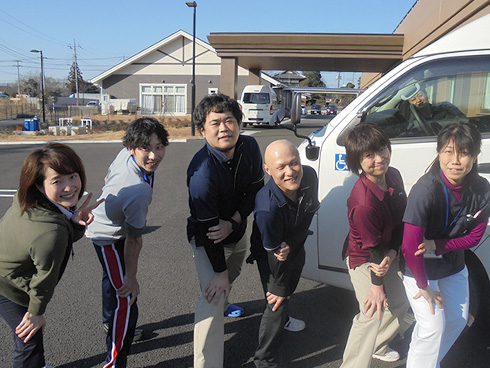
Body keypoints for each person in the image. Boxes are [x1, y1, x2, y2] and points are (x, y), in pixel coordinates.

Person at [0, 142, 102, 368]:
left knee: (28, 335)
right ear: (39, 184)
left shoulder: (26, 198)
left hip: (10, 271)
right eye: (57, 181)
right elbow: (46, 278)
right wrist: (36, 312)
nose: (69, 187)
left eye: (73, 177)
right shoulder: (50, 232)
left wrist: (72, 219)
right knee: (29, 337)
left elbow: (55, 231)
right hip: (7, 284)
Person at [401, 121, 490, 368]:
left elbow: (473, 238)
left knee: (457, 321)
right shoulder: (425, 190)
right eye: (448, 151)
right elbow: (410, 247)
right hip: (419, 270)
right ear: (439, 153)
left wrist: (437, 246)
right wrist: (423, 286)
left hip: (453, 265)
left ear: (474, 157)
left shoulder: (482, 189)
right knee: (431, 326)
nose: (455, 160)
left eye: (463, 153)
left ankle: (429, 363)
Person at [187, 93, 264, 368]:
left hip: (236, 229)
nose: (224, 128)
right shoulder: (201, 175)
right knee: (213, 296)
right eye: (215, 122)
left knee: (234, 274)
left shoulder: (250, 147)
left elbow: (255, 188)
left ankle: (225, 291)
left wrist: (233, 221)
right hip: (207, 239)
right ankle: (206, 364)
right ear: (202, 130)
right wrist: (219, 273)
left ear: (239, 124)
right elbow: (209, 231)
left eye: (229, 120)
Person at [86, 117, 169, 368]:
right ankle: (113, 362)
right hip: (107, 236)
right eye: (146, 148)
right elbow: (134, 240)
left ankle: (108, 321)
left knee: (112, 281)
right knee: (126, 297)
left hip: (109, 224)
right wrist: (131, 278)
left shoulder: (125, 154)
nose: (153, 155)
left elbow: (106, 179)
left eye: (159, 146)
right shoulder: (137, 190)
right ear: (133, 148)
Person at [340, 124, 412, 368]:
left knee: (401, 302)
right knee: (373, 311)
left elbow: (403, 220)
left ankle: (378, 344)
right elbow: (373, 251)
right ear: (357, 161)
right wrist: (377, 287)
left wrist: (393, 253)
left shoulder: (393, 175)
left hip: (387, 252)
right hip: (365, 259)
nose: (379, 159)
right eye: (369, 155)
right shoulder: (363, 203)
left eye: (382, 149)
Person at [251, 139, 320, 368]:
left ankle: (285, 317)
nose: (290, 172)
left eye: (294, 163)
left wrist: (292, 242)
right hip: (270, 252)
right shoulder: (266, 208)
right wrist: (279, 287)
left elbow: (309, 212)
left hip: (295, 241)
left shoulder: (309, 176)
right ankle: (264, 361)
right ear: (268, 170)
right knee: (277, 302)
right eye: (281, 167)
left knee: (290, 285)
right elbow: (275, 255)